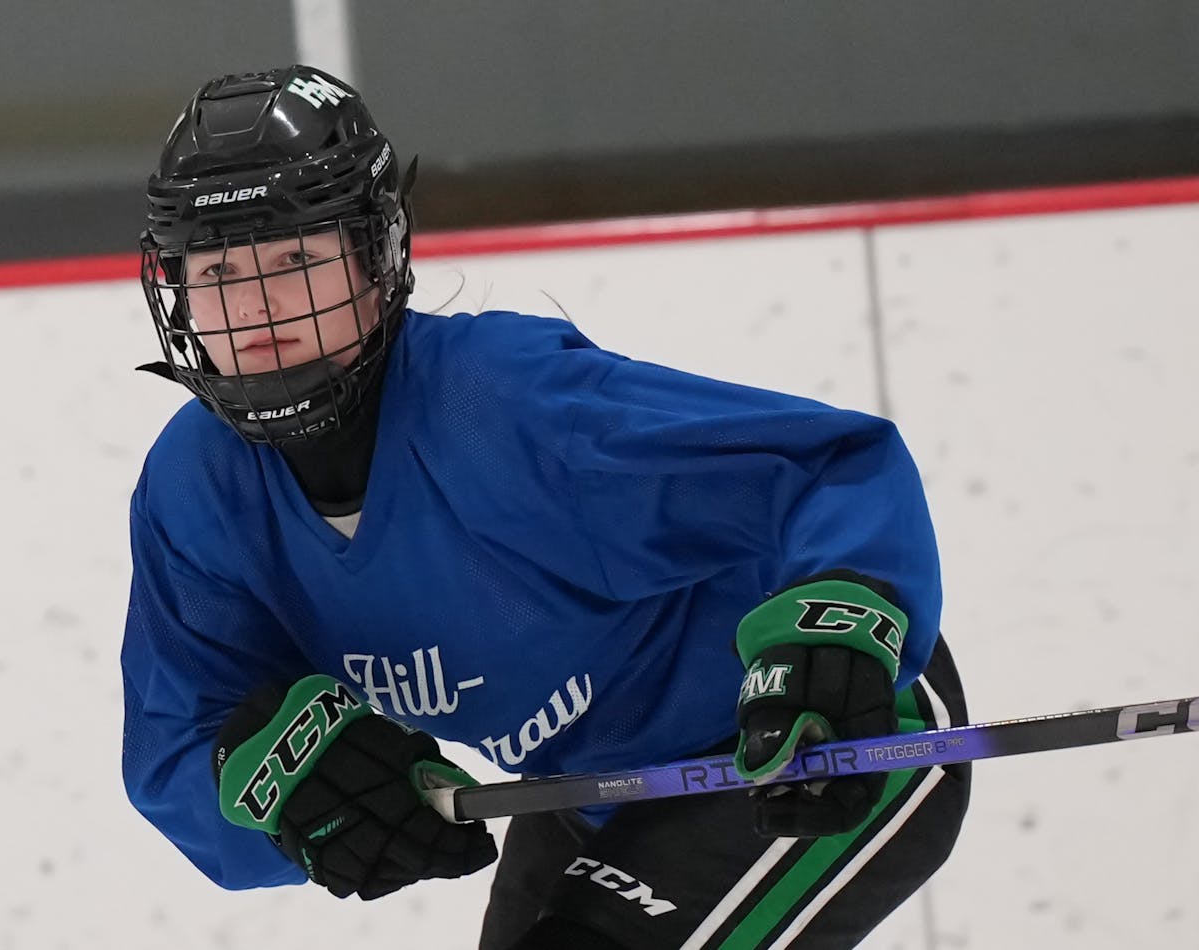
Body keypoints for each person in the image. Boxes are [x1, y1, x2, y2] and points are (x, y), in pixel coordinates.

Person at [120, 64, 971, 950]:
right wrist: (277, 786)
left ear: (376, 258)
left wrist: (842, 633)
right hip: (595, 796)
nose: (254, 306)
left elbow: (828, 468)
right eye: (215, 270)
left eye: (295, 259)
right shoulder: (196, 492)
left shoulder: (504, 405)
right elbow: (181, 739)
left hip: (820, 738)